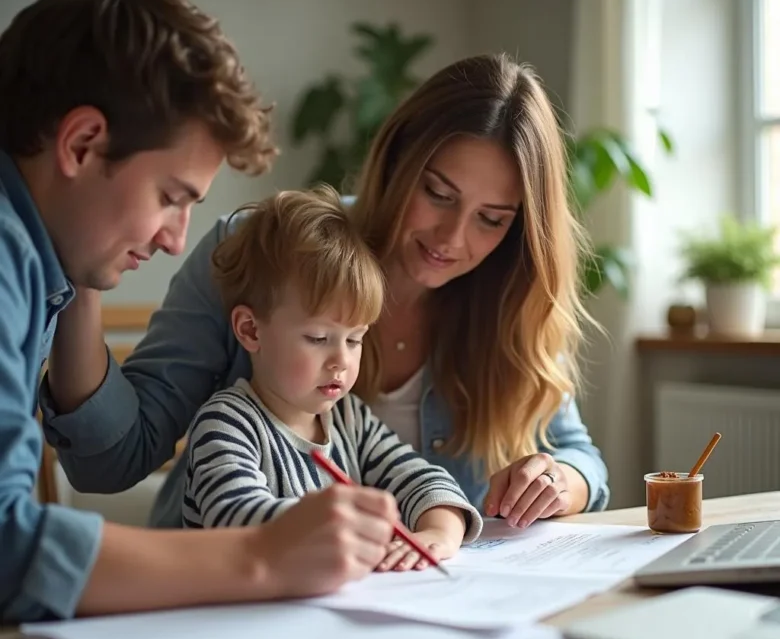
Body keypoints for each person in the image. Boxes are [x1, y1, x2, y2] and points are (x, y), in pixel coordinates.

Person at [43, 54, 610, 544]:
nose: (452, 238)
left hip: (415, 600)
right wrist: (83, 271)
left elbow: (581, 458)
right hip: (228, 601)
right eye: (438, 194)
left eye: (491, 219)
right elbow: (113, 459)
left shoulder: (509, 296)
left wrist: (557, 480)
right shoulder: (259, 251)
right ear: (397, 158)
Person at [0, 0, 400, 625]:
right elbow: (7, 546)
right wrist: (263, 556)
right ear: (80, 144)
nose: (173, 239)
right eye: (170, 197)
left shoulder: (35, 262)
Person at [184, 185, 482, 571]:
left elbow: (420, 479)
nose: (341, 360)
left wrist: (438, 532)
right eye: (318, 338)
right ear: (251, 330)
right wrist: (343, 524)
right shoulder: (226, 425)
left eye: (356, 339)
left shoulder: (350, 420)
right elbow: (234, 516)